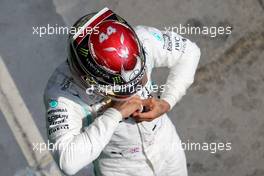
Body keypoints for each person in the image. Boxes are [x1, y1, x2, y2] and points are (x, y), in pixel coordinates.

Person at [44, 7, 200, 176]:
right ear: (87, 79)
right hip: (119, 168)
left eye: (137, 81)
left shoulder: (144, 39)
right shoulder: (62, 92)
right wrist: (114, 113)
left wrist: (167, 101)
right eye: (122, 91)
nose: (133, 94)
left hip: (167, 148)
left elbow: (189, 52)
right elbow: (67, 161)